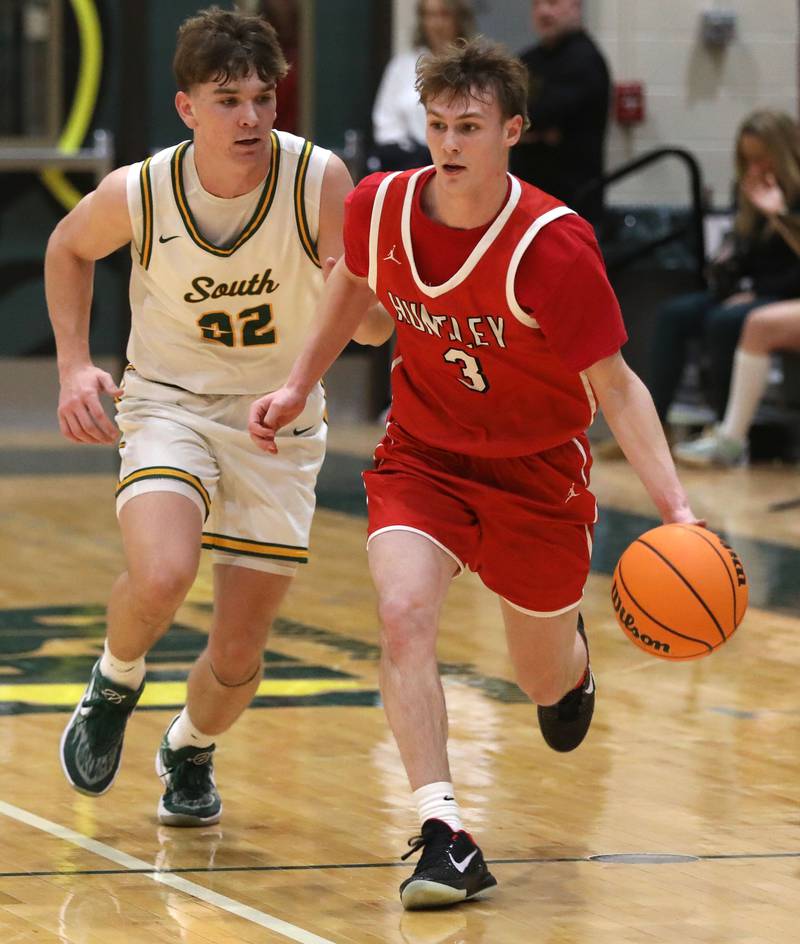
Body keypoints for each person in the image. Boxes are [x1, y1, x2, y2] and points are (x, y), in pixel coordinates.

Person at [248, 38, 699, 910]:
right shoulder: (380, 207)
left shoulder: (555, 247)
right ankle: (442, 830)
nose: (449, 143)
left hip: (537, 476)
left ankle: (570, 673)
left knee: (538, 678)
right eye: (438, 124)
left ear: (512, 132)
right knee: (403, 614)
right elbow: (350, 282)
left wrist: (676, 511)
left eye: (470, 126)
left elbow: (618, 384)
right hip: (423, 456)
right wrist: (296, 383)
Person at [45, 7, 374, 826]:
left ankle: (189, 746)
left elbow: (368, 323)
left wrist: (368, 298)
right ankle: (116, 677)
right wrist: (73, 364)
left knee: (236, 658)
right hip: (169, 404)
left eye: (264, 97)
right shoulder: (145, 189)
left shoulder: (318, 179)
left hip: (279, 416)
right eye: (228, 99)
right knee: (163, 573)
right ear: (187, 106)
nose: (252, 117)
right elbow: (67, 246)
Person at [649, 110, 800, 429]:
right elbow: (743, 260)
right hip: (755, 291)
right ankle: (653, 423)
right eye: (748, 160)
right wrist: (727, 274)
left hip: (787, 294)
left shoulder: (795, 195)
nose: (756, 168)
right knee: (673, 314)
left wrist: (780, 215)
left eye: (763, 158)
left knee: (724, 321)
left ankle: (726, 428)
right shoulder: (747, 190)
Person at [509, 0, 610, 223]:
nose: (543, 11)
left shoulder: (584, 60)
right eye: (537, 4)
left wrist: (526, 130)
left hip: (572, 204)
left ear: (576, 6)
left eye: (553, 2)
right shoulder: (528, 60)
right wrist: (538, 133)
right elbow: (504, 116)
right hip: (529, 200)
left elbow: (537, 117)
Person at [371, 0, 475, 171]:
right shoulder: (402, 66)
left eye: (444, 14)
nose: (437, 24)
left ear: (459, 18)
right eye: (430, 15)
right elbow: (386, 125)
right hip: (413, 166)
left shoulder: (475, 67)